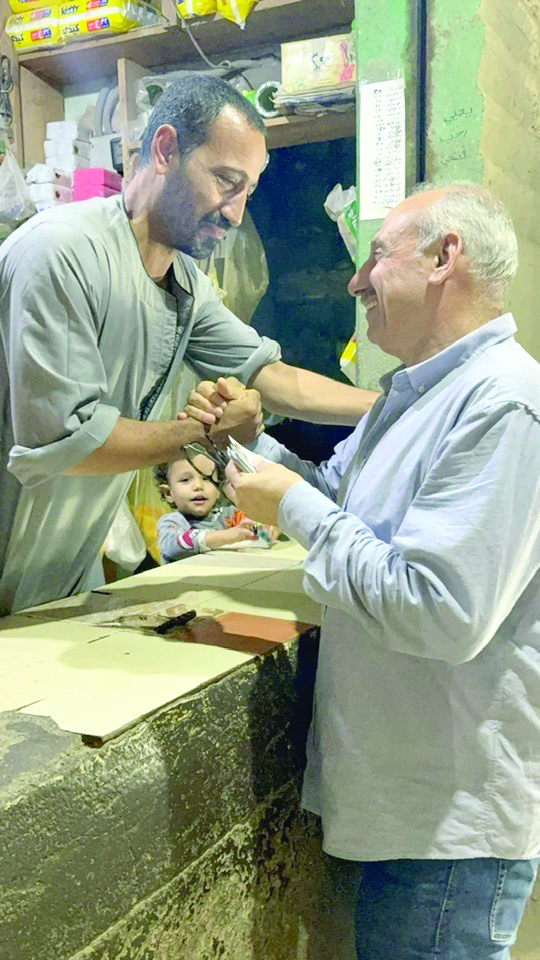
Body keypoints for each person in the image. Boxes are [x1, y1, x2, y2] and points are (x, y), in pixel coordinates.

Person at [221, 183, 540, 959]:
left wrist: (292, 505)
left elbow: (439, 611)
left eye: (376, 256)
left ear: (444, 257)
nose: (356, 281)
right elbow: (337, 500)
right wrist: (245, 447)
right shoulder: (416, 393)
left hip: (450, 831)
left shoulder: (503, 406)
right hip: (407, 809)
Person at [0, 75, 377, 615]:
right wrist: (204, 433)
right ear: (165, 150)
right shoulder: (62, 253)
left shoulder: (185, 283)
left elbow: (269, 375)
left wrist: (392, 405)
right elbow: (70, 441)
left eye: (248, 191)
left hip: (59, 569)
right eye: (225, 181)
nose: (235, 212)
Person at [154, 454, 262, 562]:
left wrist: (265, 527)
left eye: (206, 478)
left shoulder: (230, 515)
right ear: (168, 493)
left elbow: (257, 528)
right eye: (185, 480)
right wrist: (226, 536)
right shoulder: (173, 522)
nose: (198, 486)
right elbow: (171, 547)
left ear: (219, 489)